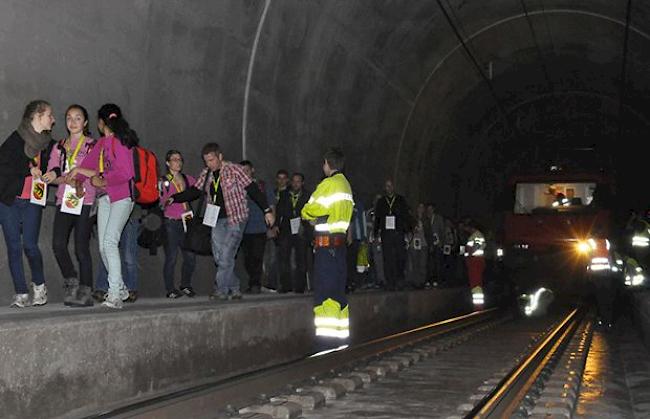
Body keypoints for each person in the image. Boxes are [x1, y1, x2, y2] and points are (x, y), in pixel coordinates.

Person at [168, 143, 274, 300]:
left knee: (226, 256)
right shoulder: (206, 173)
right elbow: (195, 191)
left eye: (211, 160)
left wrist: (267, 210)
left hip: (236, 218)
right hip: (215, 219)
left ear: (220, 157)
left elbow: (253, 189)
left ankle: (221, 290)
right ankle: (235, 287)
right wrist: (175, 198)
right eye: (206, 161)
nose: (209, 164)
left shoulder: (234, 170)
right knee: (219, 257)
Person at [69, 103, 137, 309]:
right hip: (105, 198)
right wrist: (74, 179)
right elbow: (86, 166)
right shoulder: (101, 144)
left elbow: (127, 173)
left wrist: (103, 180)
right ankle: (122, 289)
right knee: (102, 246)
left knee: (109, 242)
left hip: (123, 196)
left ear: (100, 122)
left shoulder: (120, 142)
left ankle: (114, 294)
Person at [0, 100, 55, 307]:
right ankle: (20, 292)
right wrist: (27, 170)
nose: (53, 119)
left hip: (33, 200)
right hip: (9, 201)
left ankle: (39, 286)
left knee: (30, 246)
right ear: (37, 116)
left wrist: (54, 173)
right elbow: (4, 166)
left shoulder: (50, 145)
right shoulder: (15, 140)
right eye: (49, 115)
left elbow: (58, 165)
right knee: (13, 247)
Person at [301, 147, 354, 351]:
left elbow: (310, 208)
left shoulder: (329, 184)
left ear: (327, 163)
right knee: (339, 293)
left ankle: (326, 342)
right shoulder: (346, 185)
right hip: (339, 247)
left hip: (326, 247)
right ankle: (341, 339)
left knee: (326, 293)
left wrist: (308, 215)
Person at [45, 104, 97, 306]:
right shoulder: (59, 146)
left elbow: (99, 175)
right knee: (58, 244)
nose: (73, 122)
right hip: (64, 200)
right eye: (69, 118)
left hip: (85, 199)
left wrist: (80, 176)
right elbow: (54, 176)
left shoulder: (93, 146)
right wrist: (59, 178)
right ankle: (71, 281)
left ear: (84, 122)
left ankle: (86, 291)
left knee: (81, 248)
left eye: (77, 118)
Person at [159, 150, 197, 298]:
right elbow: (161, 202)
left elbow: (199, 190)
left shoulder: (188, 179)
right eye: (174, 159)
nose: (178, 162)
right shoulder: (164, 180)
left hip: (187, 219)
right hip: (171, 220)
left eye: (180, 159)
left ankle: (185, 284)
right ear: (168, 163)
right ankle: (170, 289)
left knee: (190, 256)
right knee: (172, 257)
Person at [240, 160, 275, 294]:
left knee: (257, 256)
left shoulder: (261, 186)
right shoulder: (238, 188)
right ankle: (252, 282)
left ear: (252, 170)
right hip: (243, 229)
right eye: (242, 171)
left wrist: (272, 225)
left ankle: (255, 283)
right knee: (247, 259)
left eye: (247, 171)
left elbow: (271, 205)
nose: (245, 174)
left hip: (259, 228)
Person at [275, 172, 311, 293]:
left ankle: (300, 286)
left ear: (302, 183)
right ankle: (285, 285)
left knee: (301, 258)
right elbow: (279, 211)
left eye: (298, 181)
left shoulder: (308, 195)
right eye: (294, 181)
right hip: (286, 229)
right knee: (284, 257)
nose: (295, 184)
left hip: (301, 229)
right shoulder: (284, 194)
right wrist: (275, 225)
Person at [374, 179, 411, 290]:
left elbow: (406, 216)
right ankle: (389, 281)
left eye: (390, 186)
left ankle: (400, 279)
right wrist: (376, 232)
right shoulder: (381, 201)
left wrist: (408, 230)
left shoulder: (400, 200)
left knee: (400, 256)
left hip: (398, 232)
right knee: (387, 257)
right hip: (386, 233)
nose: (388, 188)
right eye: (387, 186)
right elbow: (378, 218)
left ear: (394, 187)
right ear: (385, 188)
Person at [462, 219, 487, 308]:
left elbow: (474, 248)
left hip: (475, 262)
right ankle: (478, 305)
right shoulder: (475, 235)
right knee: (475, 283)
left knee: (476, 284)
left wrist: (468, 254)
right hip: (475, 262)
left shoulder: (477, 235)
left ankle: (478, 306)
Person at [406, 203, 428, 288]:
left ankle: (422, 281)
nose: (420, 209)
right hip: (413, 243)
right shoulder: (412, 219)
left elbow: (429, 232)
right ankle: (415, 282)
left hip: (423, 244)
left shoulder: (426, 220)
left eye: (422, 207)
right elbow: (408, 229)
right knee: (415, 263)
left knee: (422, 263)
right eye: (419, 207)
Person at [425, 203, 445, 286]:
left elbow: (442, 231)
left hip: (437, 243)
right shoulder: (426, 219)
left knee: (437, 262)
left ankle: (438, 279)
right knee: (429, 262)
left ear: (433, 209)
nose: (429, 211)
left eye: (431, 209)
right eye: (428, 209)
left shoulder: (438, 218)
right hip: (429, 243)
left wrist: (441, 242)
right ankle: (430, 279)